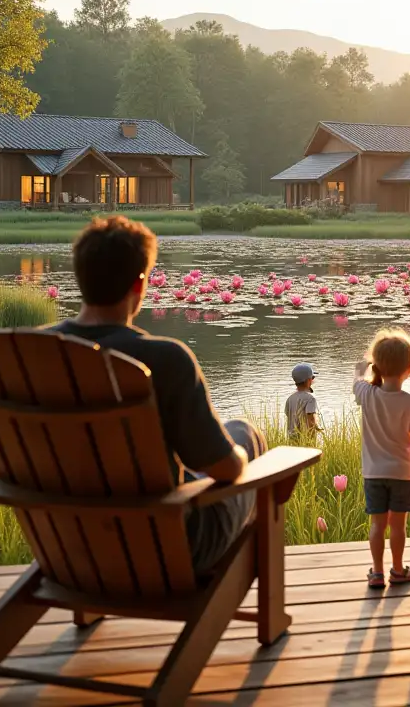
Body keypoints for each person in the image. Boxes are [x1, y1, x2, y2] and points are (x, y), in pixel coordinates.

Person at [49, 215, 266, 573]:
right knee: (245, 434)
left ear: (80, 276)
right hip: (169, 547)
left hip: (69, 546)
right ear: (139, 285)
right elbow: (224, 469)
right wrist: (243, 453)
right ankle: (254, 599)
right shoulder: (164, 359)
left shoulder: (37, 353)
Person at [353, 328, 410, 589]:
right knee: (398, 526)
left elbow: (357, 378)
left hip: (373, 473)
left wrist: (363, 367)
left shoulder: (367, 395)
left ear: (378, 367)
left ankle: (376, 572)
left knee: (377, 524)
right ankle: (398, 569)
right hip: (404, 474)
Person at [285, 362, 320, 437]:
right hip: (304, 438)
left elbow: (288, 415)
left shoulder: (290, 398)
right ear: (308, 380)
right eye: (312, 378)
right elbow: (311, 420)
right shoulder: (311, 398)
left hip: (291, 437)